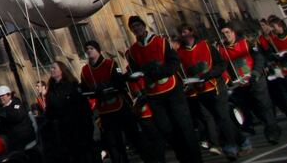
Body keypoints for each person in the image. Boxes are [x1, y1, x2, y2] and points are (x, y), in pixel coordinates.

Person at [124, 15, 201, 163]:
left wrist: (160, 70)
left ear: (144, 26)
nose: (137, 29)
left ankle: (195, 159)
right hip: (154, 94)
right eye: (133, 28)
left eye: (138, 25)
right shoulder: (132, 51)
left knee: (184, 126)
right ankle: (183, 157)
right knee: (166, 129)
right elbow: (134, 71)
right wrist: (128, 76)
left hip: (172, 89)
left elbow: (174, 62)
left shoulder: (161, 41)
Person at [177, 24, 243, 160]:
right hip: (199, 90)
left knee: (222, 116)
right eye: (181, 33)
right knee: (213, 119)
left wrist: (208, 75)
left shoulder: (206, 46)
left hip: (216, 86)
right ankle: (241, 140)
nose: (184, 35)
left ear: (191, 32)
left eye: (185, 32)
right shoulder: (180, 53)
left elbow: (221, 64)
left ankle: (231, 146)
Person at [218, 21, 281, 145]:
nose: (226, 36)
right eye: (223, 34)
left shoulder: (246, 43)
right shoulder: (221, 49)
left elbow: (259, 58)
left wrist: (256, 73)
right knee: (251, 109)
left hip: (255, 80)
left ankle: (272, 134)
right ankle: (271, 127)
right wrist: (228, 81)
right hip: (239, 84)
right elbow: (223, 67)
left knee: (264, 107)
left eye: (227, 32)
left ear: (233, 32)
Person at [79, 40, 136, 163]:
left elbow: (119, 81)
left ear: (98, 50)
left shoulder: (110, 63)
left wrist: (107, 86)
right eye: (86, 49)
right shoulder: (85, 70)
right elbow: (84, 88)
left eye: (91, 48)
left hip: (120, 106)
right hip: (104, 111)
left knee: (131, 136)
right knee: (112, 142)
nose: (88, 51)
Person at [42, 59, 93, 163]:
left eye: (54, 68)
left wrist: (87, 124)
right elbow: (50, 111)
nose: (51, 70)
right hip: (62, 131)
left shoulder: (71, 86)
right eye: (50, 68)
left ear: (61, 70)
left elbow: (83, 106)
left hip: (77, 127)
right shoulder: (51, 91)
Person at [255, 18, 287, 120]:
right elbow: (261, 54)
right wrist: (267, 63)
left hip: (284, 63)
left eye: (264, 25)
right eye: (261, 26)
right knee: (279, 91)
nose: (263, 28)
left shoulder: (275, 35)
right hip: (272, 66)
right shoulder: (260, 40)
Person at [0, 84, 37, 157]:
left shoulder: (17, 105)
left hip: (24, 135)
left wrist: (2, 113)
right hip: (10, 136)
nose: (1, 98)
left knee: (13, 152)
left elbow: (16, 117)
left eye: (3, 96)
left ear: (9, 95)